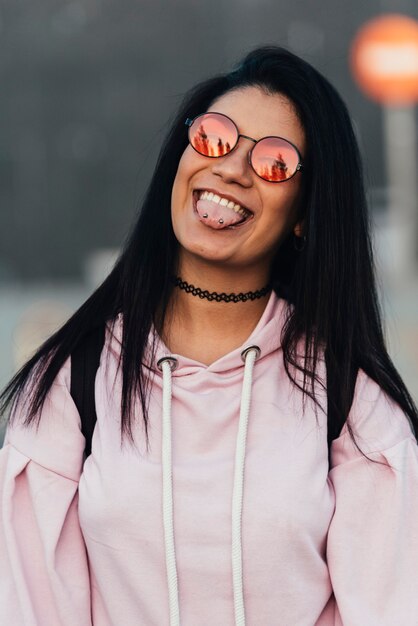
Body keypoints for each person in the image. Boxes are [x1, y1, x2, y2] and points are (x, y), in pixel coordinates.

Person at [1, 45, 418, 626]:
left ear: (305, 212)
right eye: (214, 138)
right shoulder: (72, 381)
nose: (229, 168)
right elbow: (31, 607)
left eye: (274, 162)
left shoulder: (353, 400)